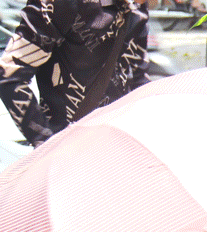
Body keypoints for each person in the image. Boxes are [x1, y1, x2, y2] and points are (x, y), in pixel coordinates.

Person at [0, 0, 150, 146]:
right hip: (65, 151)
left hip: (119, 148)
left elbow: (139, 78)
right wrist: (46, 143)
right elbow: (10, 75)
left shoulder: (137, 6)